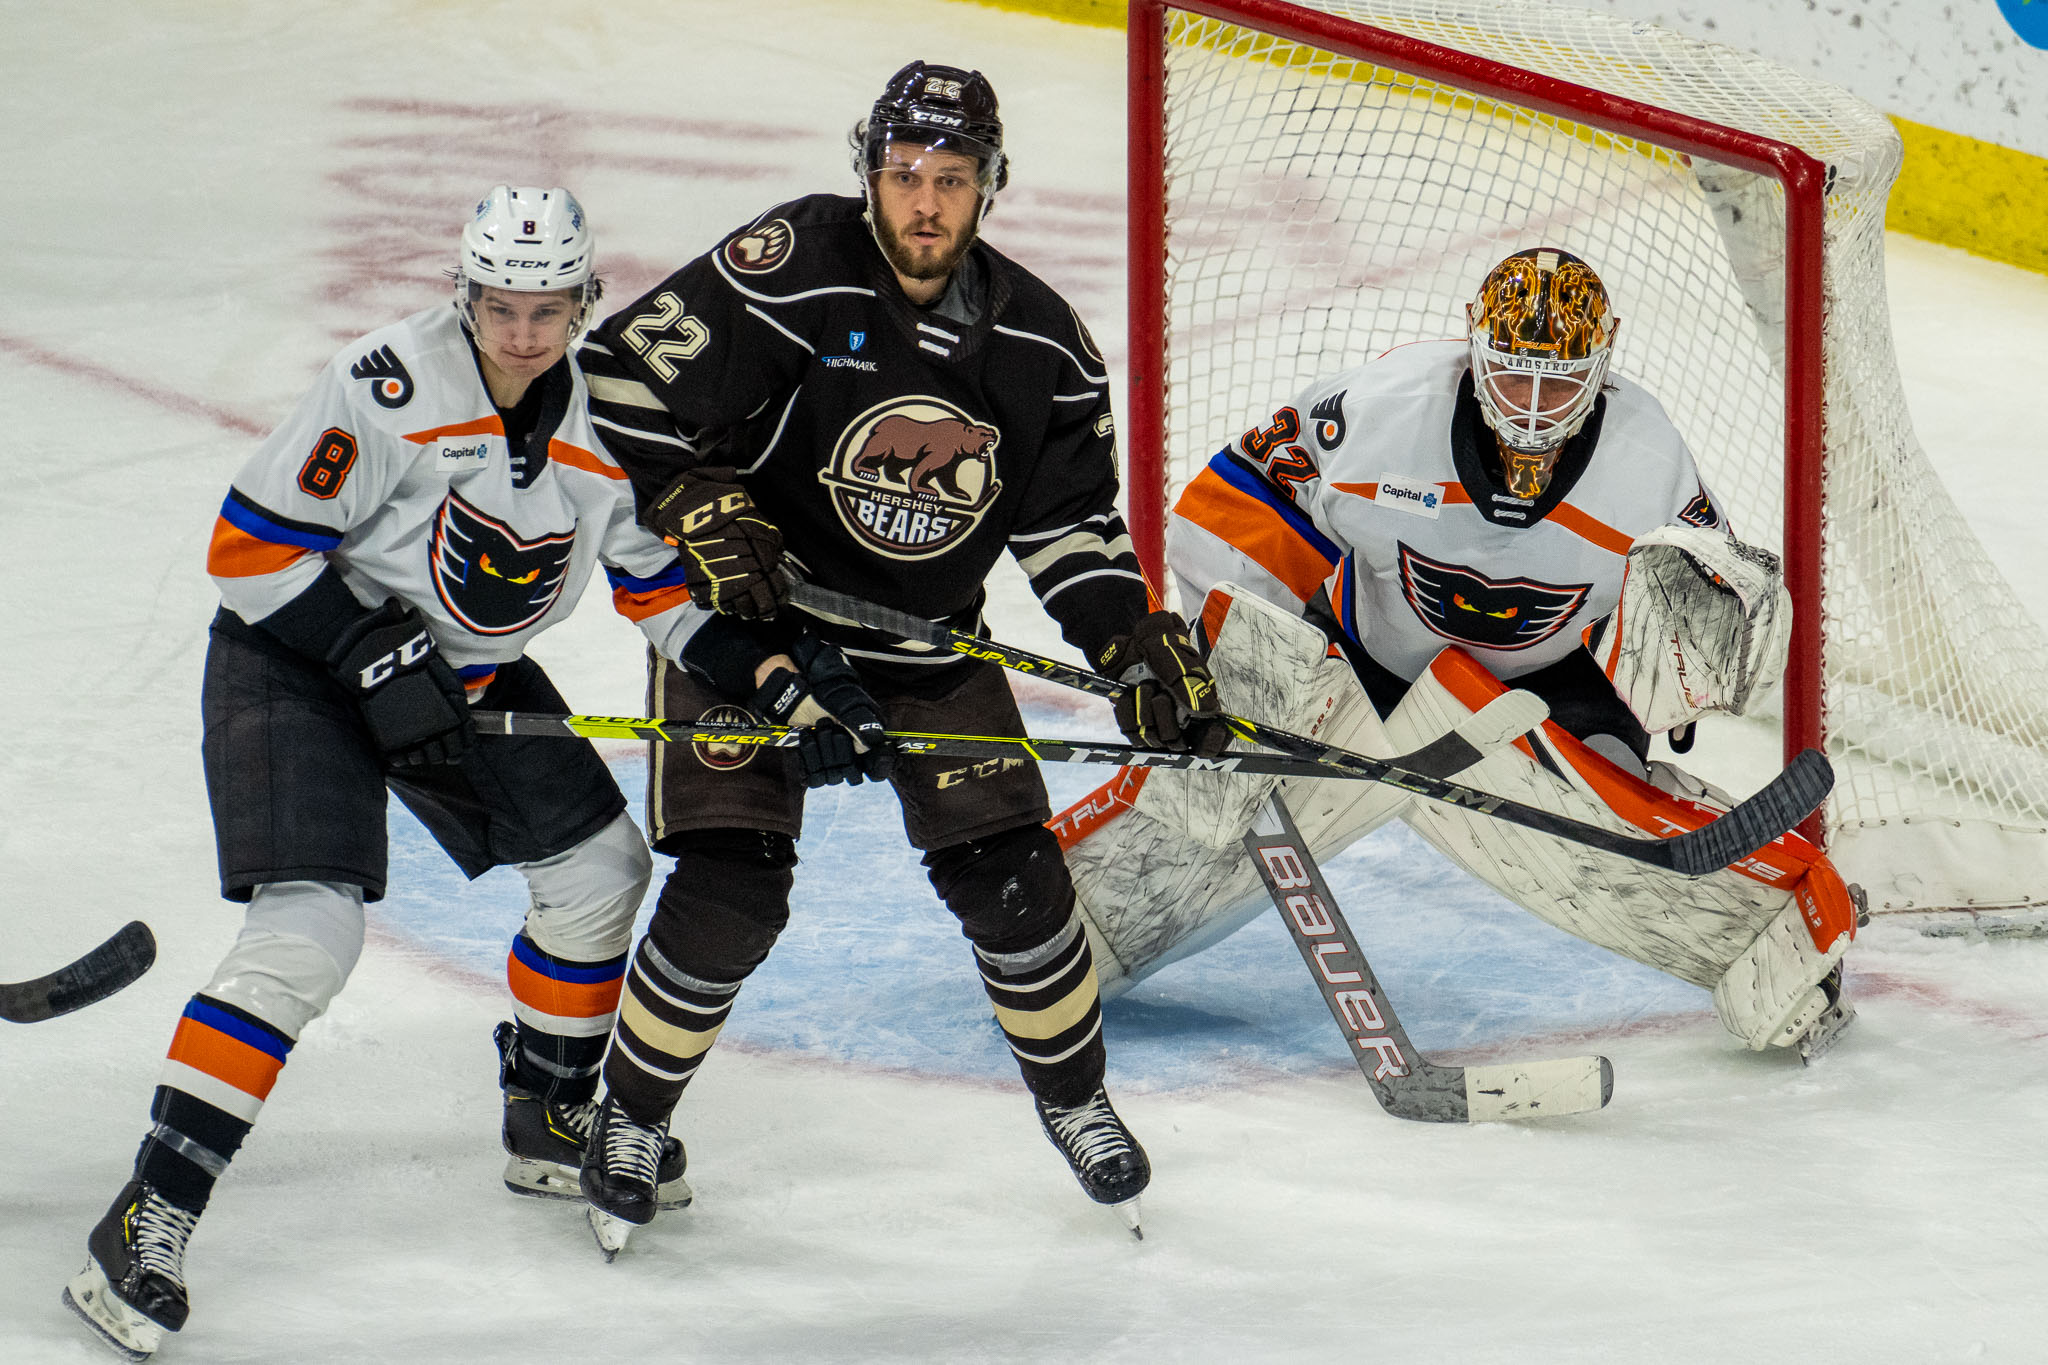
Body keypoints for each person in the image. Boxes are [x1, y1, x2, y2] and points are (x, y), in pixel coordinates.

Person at [572, 60, 1224, 1252]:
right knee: (730, 887)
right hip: (753, 629)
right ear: (868, 173)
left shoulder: (1041, 344)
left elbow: (1069, 529)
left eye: (952, 179)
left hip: (923, 644)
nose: (925, 202)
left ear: (990, 186)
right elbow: (615, 374)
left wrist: (1129, 639)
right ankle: (628, 1117)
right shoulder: (796, 264)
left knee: (1016, 881)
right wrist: (694, 498)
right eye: (905, 174)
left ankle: (1076, 1104)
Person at [63, 186, 701, 1361]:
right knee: (310, 932)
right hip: (296, 662)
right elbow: (248, 550)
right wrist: (364, 650)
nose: (522, 332)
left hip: (458, 675)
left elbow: (658, 588)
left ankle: (548, 1111)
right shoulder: (387, 385)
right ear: (464, 295)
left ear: (582, 302)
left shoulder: (610, 419)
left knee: (598, 869)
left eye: (546, 309)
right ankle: (150, 1212)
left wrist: (776, 681)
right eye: (500, 306)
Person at [1060, 247, 1857, 1060]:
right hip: (1366, 666)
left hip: (1553, 686)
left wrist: (1686, 672)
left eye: (1560, 385)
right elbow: (1236, 506)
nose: (1534, 412)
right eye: (1513, 377)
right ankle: (1066, 931)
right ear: (1473, 348)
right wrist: (1229, 664)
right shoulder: (1380, 412)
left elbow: (1696, 606)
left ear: (1603, 370)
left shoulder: (1648, 461)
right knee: (1220, 780)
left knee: (1608, 830)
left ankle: (1777, 942)